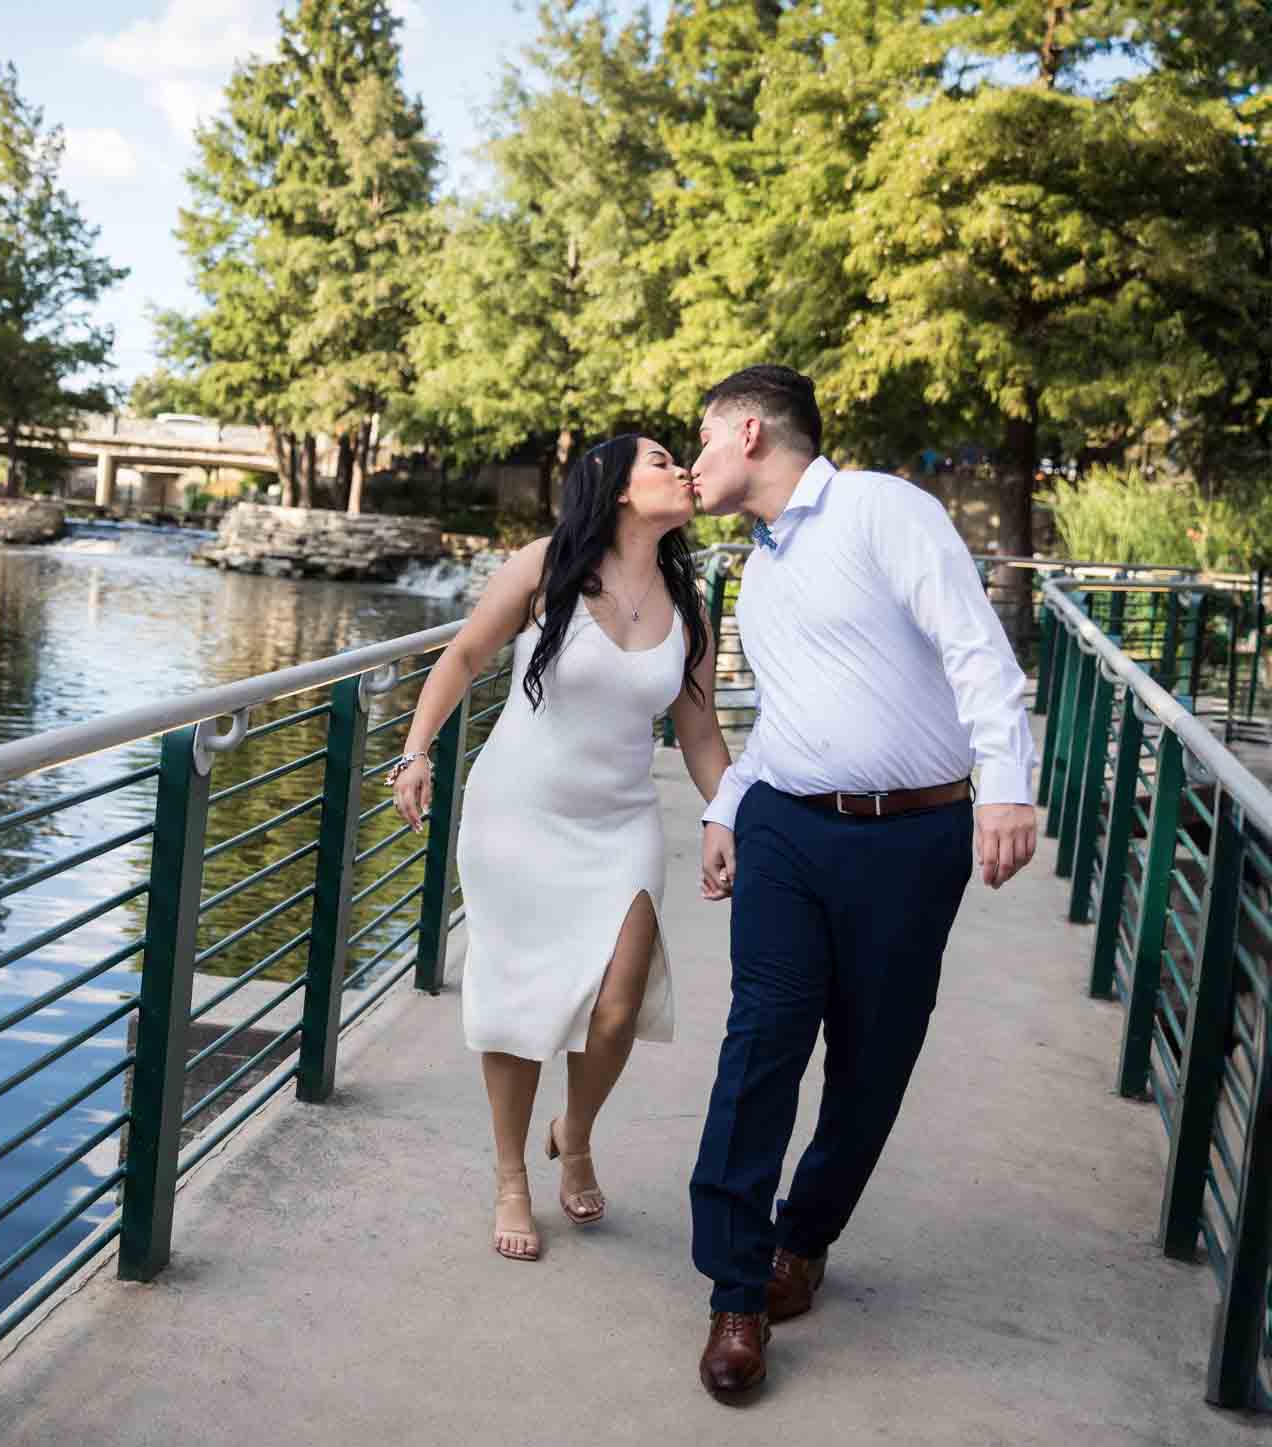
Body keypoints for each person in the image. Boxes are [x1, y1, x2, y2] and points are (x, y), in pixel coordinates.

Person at [684, 365, 1037, 1400]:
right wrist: (723, 805)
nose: (693, 461)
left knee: (871, 1059)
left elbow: (976, 652)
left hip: (910, 839)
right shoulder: (759, 565)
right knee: (761, 1041)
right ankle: (734, 1289)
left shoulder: (883, 510)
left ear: (745, 433)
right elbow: (792, 716)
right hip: (785, 832)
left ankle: (805, 1239)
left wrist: (1006, 787)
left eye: (698, 440)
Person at [390, 435, 731, 1262]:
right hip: (518, 816)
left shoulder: (690, 609)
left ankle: (572, 1131)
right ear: (615, 488)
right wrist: (417, 748)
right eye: (659, 459)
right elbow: (466, 654)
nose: (681, 467)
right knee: (515, 1001)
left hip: (621, 824)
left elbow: (698, 731)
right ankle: (513, 1177)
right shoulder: (547, 566)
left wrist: (729, 814)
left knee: (618, 1003)